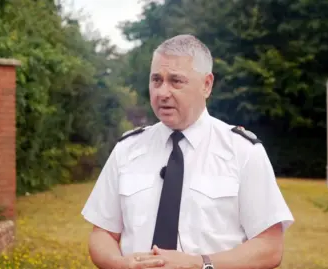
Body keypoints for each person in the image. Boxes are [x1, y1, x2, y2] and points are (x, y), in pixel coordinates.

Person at [81, 34, 294, 269]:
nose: (162, 92)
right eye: (156, 80)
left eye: (176, 81)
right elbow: (102, 233)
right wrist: (119, 264)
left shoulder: (242, 152)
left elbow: (270, 247)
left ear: (206, 84)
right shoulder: (127, 149)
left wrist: (199, 264)